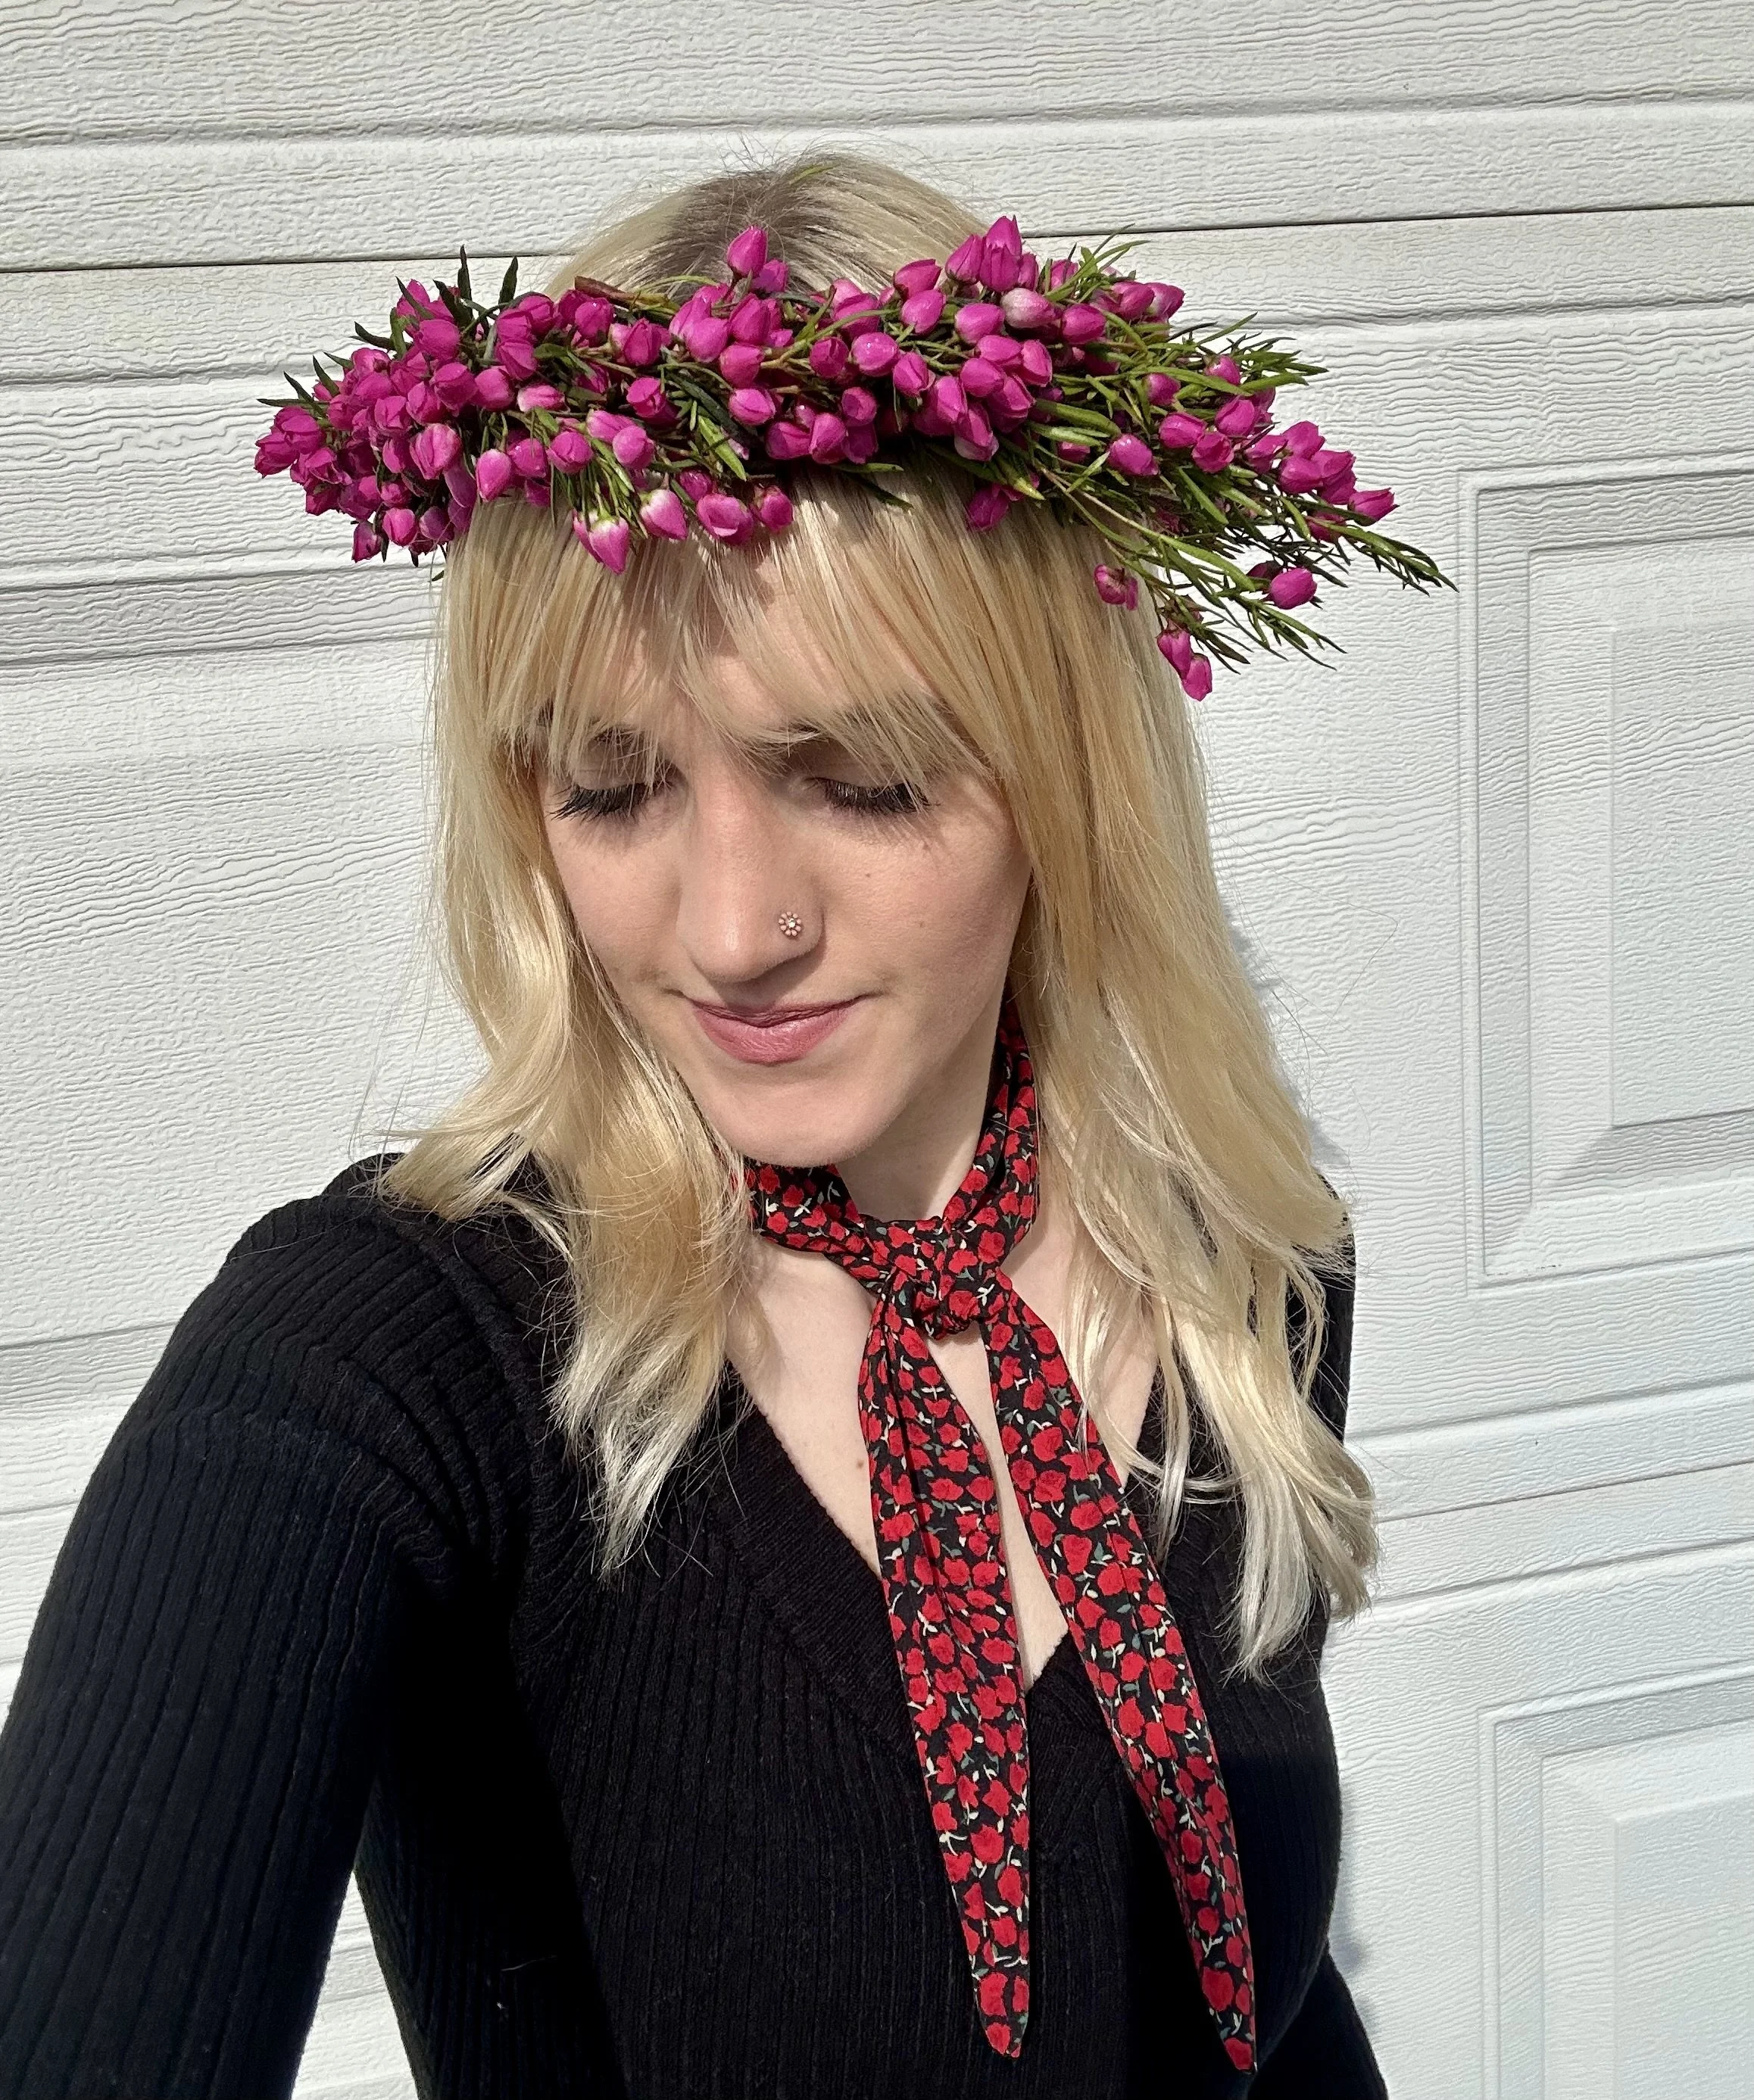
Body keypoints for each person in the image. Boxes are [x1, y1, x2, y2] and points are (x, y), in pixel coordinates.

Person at [0, 155, 1402, 2097]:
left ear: (1074, 782)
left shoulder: (1246, 1259)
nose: (735, 934)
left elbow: (1276, 2012)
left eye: (871, 782)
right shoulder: (394, 1356)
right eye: (614, 786)